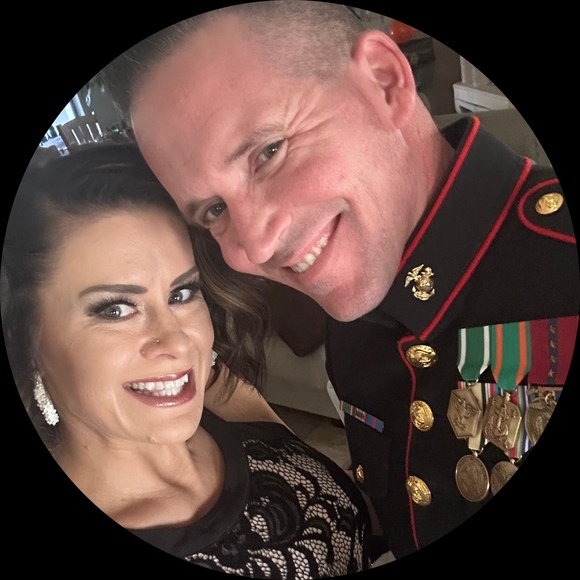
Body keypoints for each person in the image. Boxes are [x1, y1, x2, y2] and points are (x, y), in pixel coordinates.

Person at [100, 1, 579, 560]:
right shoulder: (360, 303)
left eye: (268, 153)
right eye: (214, 210)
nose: (254, 247)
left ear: (384, 82)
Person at [1, 140, 372, 577]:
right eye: (115, 309)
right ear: (26, 340)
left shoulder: (220, 399)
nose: (176, 341)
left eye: (181, 293)